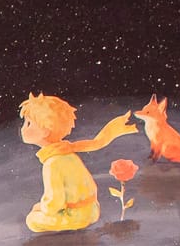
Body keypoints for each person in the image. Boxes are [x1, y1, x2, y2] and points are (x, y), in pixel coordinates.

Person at [17, 94, 138, 233]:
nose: (23, 129)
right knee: (38, 209)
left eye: (28, 123)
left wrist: (43, 209)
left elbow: (55, 202)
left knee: (31, 220)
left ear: (45, 130)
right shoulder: (68, 154)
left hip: (76, 218)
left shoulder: (52, 163)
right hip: (92, 211)